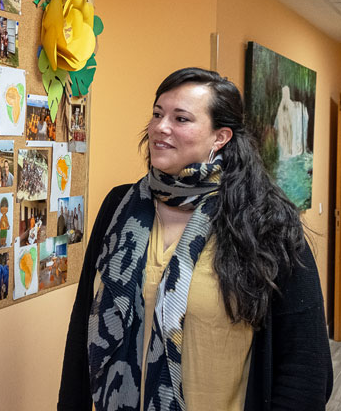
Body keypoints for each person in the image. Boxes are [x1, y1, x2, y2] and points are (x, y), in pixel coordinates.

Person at [59, 67, 332, 411]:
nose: (160, 127)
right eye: (157, 113)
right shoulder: (120, 207)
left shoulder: (266, 222)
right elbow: (82, 327)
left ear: (221, 137)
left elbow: (306, 366)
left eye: (181, 118)